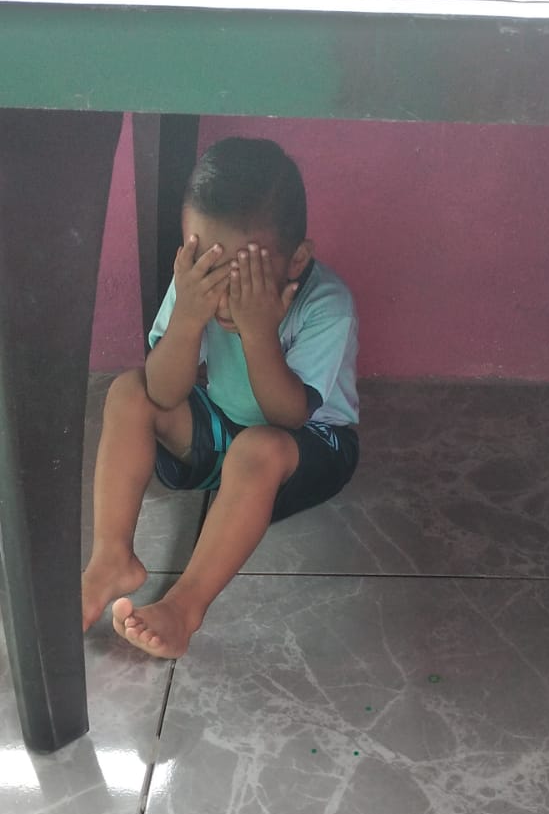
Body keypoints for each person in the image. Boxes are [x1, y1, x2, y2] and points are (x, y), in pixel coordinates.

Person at [81, 136, 360, 658]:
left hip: (306, 447)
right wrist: (188, 317)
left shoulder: (328, 305)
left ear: (296, 260)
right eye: (207, 268)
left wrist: (258, 332)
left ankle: (184, 607)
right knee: (129, 392)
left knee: (259, 446)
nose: (221, 291)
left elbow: (289, 416)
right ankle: (110, 558)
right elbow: (164, 392)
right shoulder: (196, 282)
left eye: (243, 277)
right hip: (223, 430)